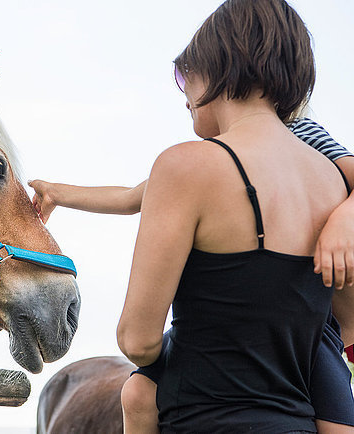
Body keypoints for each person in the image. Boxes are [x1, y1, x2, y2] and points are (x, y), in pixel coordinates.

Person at [30, 0, 354, 432]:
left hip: (203, 420)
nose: (183, 96)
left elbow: (137, 341)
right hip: (296, 421)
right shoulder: (332, 182)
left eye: (185, 76)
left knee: (137, 389)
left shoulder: (185, 167)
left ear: (220, 66)